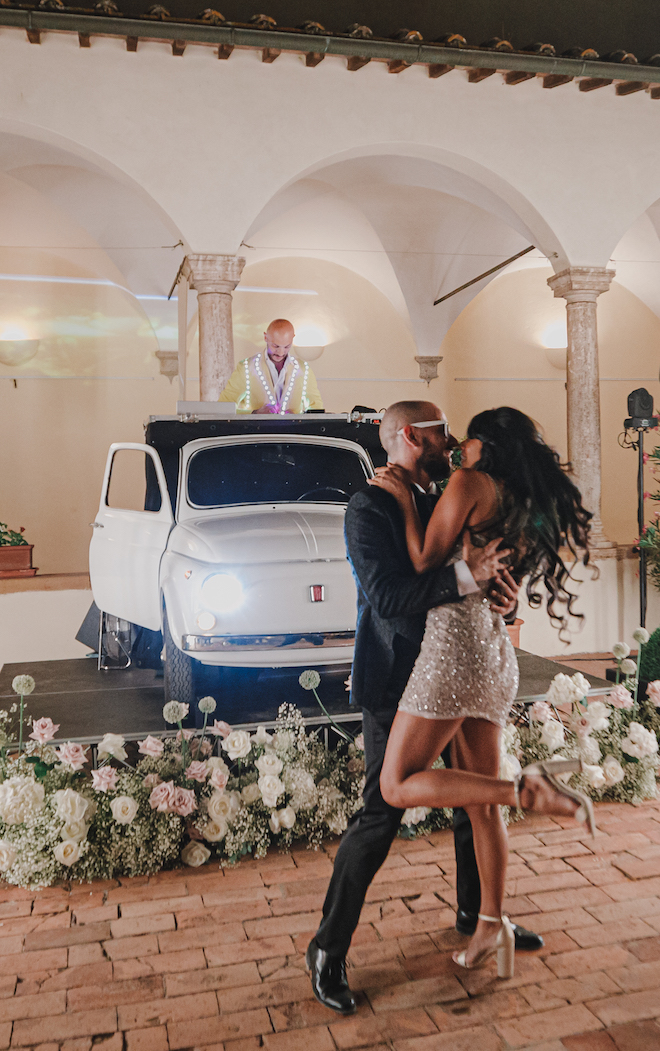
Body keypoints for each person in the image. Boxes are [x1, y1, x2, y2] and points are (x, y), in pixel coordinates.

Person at [306, 400, 542, 1017]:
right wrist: (468, 577)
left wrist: (504, 598)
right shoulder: (369, 505)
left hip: (460, 662)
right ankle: (328, 950)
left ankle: (479, 914)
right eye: (441, 434)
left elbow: (477, 566)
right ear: (411, 436)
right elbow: (388, 597)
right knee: (381, 814)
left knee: (475, 802)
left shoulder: (447, 492)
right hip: (398, 678)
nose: (453, 440)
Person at [375, 405, 593, 982]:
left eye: (464, 439)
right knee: (480, 808)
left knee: (396, 784)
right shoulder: (519, 499)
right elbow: (499, 584)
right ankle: (492, 923)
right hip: (494, 650)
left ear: (485, 444)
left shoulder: (471, 483)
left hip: (453, 650)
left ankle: (526, 790)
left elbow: (424, 561)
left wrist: (400, 501)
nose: (456, 448)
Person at [218, 318, 323, 414]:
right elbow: (223, 408)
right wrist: (254, 414)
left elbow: (316, 410)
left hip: (293, 434)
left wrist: (297, 417)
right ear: (265, 337)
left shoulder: (304, 369)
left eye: (287, 346)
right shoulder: (246, 368)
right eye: (275, 346)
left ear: (293, 339)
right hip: (256, 434)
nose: (281, 352)